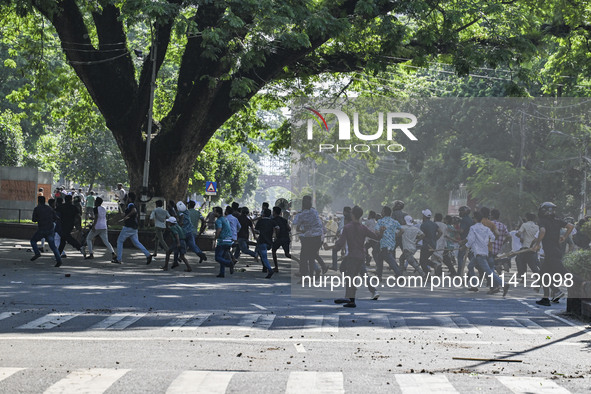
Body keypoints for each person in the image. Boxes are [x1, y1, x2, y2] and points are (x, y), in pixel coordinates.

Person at [328, 206, 379, 308]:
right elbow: (377, 237)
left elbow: (340, 243)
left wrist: (332, 248)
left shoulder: (347, 227)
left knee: (350, 276)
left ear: (352, 214)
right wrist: (381, 232)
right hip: (360, 256)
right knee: (349, 273)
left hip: (352, 256)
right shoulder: (363, 228)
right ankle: (351, 298)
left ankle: (349, 297)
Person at [533, 202, 574, 306]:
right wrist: (564, 237)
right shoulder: (557, 220)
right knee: (544, 275)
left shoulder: (543, 221)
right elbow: (570, 226)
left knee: (563, 273)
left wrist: (537, 244)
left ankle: (558, 291)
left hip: (550, 253)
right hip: (554, 252)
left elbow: (542, 231)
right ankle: (546, 298)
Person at [466, 211, 509, 296]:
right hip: (485, 251)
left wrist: (465, 246)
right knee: (470, 266)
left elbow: (470, 240)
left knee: (488, 271)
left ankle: (503, 284)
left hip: (479, 252)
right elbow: (495, 236)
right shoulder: (488, 227)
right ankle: (474, 285)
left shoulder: (473, 228)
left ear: (475, 218)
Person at [114, 192, 152, 264]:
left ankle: (119, 259)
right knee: (136, 243)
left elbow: (134, 211)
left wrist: (126, 216)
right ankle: (148, 255)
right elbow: (134, 214)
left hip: (128, 227)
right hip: (134, 227)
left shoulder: (131, 204)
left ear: (130, 198)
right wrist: (125, 215)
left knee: (119, 241)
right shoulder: (134, 205)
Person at [293, 195, 323, 277]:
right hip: (318, 237)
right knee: (311, 256)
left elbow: (295, 223)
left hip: (308, 237)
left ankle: (305, 274)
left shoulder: (301, 214)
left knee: (304, 256)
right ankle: (312, 273)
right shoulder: (314, 212)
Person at [30, 196, 63, 267]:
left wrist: (40, 219)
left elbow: (34, 219)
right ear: (45, 201)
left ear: (38, 201)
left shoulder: (37, 209)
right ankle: (59, 260)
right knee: (53, 246)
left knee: (33, 241)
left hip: (41, 229)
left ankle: (37, 252)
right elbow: (56, 218)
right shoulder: (49, 208)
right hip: (50, 229)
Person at [374, 206, 402, 280]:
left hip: (384, 243)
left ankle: (399, 274)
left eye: (382, 211)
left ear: (384, 212)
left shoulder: (380, 221)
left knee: (390, 260)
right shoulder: (394, 222)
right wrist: (396, 236)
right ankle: (379, 275)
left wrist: (380, 233)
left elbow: (376, 231)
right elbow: (402, 230)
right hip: (392, 243)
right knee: (380, 258)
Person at [83, 197, 116, 261]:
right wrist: (92, 218)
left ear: (97, 202)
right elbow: (100, 217)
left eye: (95, 201)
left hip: (97, 226)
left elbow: (97, 217)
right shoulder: (103, 209)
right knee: (106, 241)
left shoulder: (95, 208)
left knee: (88, 238)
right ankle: (113, 253)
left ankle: (91, 254)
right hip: (104, 226)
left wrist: (93, 225)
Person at [56, 194, 86, 259]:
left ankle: (79, 247)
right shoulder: (74, 208)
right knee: (63, 239)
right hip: (70, 225)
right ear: (71, 200)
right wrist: (79, 226)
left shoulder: (61, 207)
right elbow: (78, 217)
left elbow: (56, 215)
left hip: (62, 225)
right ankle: (58, 254)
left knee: (66, 238)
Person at [419, 209, 442, 275]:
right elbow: (440, 232)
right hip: (433, 245)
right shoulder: (434, 224)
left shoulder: (423, 225)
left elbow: (422, 235)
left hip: (426, 245)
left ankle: (427, 273)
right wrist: (435, 239)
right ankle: (434, 265)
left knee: (422, 261)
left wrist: (417, 240)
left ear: (424, 216)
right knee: (424, 259)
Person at [254, 208, 275, 279]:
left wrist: (260, 232)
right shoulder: (272, 221)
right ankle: (266, 267)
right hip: (269, 241)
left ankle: (269, 269)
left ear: (263, 214)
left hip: (262, 240)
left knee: (264, 257)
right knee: (263, 255)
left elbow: (256, 230)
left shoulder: (260, 221)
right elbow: (277, 228)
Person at [213, 206, 234, 278]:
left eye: (214, 211)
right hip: (229, 240)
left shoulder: (218, 220)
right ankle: (222, 273)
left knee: (217, 257)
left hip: (222, 241)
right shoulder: (225, 219)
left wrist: (215, 238)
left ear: (218, 213)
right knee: (222, 257)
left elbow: (219, 230)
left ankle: (229, 263)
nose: (213, 213)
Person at [271, 206, 292, 272]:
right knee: (287, 254)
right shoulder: (284, 220)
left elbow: (277, 230)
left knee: (273, 251)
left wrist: (276, 236)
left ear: (274, 212)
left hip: (279, 238)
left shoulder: (273, 220)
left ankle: (276, 267)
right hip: (286, 238)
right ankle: (299, 261)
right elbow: (289, 229)